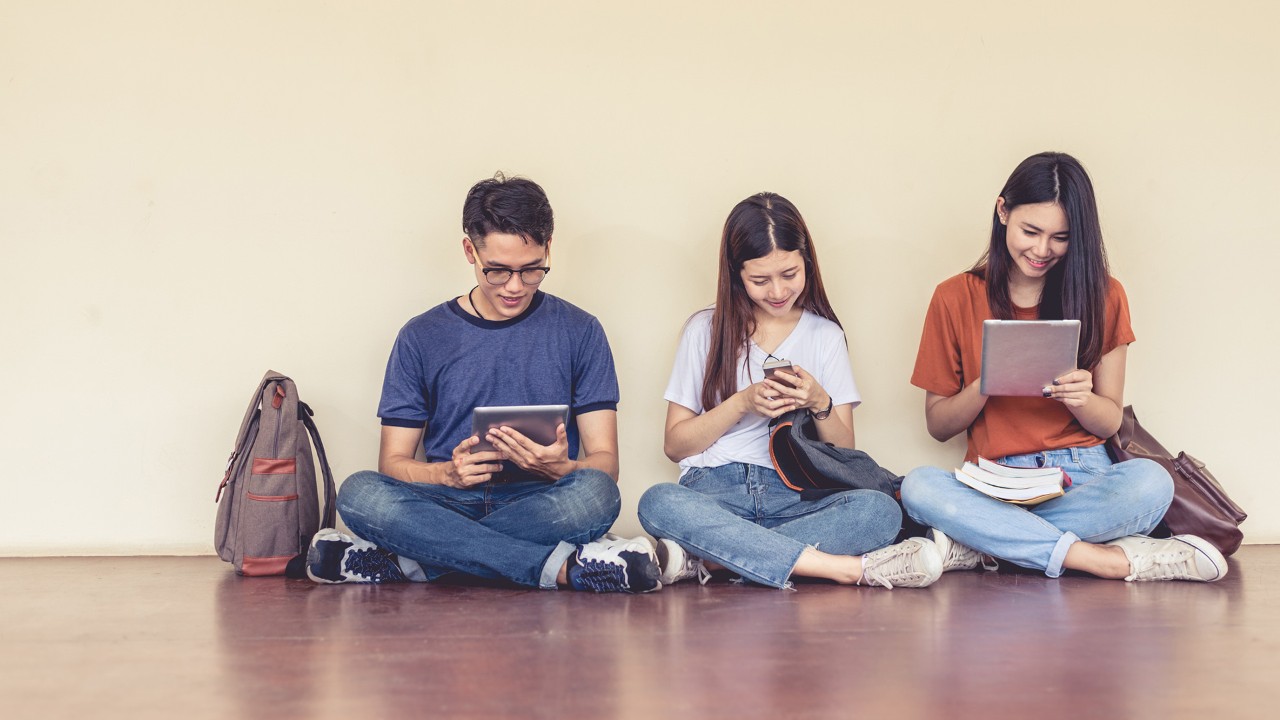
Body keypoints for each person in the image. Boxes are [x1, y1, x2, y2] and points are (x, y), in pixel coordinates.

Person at [305, 173, 661, 593]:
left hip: (540, 500)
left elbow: (606, 464)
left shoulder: (580, 331)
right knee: (360, 492)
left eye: (532, 271)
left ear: (549, 248)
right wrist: (446, 477)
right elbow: (393, 463)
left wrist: (561, 468)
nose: (514, 287)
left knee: (596, 494)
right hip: (444, 503)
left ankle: (412, 561)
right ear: (469, 250)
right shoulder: (421, 336)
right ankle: (561, 568)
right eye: (497, 271)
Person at [900, 151, 1227, 583]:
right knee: (917, 487)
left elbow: (1109, 419)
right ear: (1003, 212)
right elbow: (938, 425)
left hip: (1083, 475)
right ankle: (1107, 559)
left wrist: (1083, 399)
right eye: (1030, 231)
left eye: (1060, 237)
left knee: (1152, 482)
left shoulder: (1106, 295)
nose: (1041, 250)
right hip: (996, 482)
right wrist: (985, 384)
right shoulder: (953, 296)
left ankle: (984, 544)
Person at [637, 192, 943, 590]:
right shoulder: (704, 331)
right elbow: (676, 445)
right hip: (715, 492)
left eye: (790, 275)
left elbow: (845, 449)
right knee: (657, 502)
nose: (778, 292)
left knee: (879, 512)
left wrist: (819, 402)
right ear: (735, 275)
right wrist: (742, 402)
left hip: (793, 495)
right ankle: (841, 568)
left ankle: (716, 561)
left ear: (807, 265)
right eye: (760, 280)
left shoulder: (825, 336)